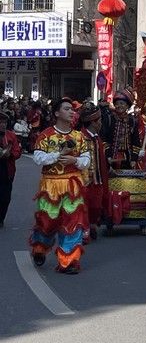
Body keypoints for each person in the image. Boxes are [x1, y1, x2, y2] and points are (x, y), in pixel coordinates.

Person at [30, 98, 90, 274]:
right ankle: (40, 247)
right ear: (57, 113)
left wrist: (74, 160)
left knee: (72, 222)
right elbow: (38, 158)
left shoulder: (79, 137)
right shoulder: (46, 135)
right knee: (47, 222)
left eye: (72, 109)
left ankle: (69, 261)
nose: (71, 112)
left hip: (73, 185)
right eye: (67, 109)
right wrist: (58, 155)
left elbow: (87, 160)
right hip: (51, 185)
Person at [80, 103, 109, 242]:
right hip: (84, 179)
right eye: (99, 121)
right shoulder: (80, 137)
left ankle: (92, 225)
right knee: (84, 206)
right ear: (93, 122)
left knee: (96, 206)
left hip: (97, 178)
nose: (101, 123)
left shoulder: (97, 138)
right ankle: (84, 231)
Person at [105, 89, 140, 169]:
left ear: (127, 106)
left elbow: (136, 141)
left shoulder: (132, 121)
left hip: (128, 159)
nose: (119, 106)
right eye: (117, 104)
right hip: (111, 158)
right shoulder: (109, 119)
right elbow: (104, 139)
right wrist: (108, 155)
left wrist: (134, 159)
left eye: (122, 103)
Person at [0, 111, 22, 228]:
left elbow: (17, 151)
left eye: (4, 122)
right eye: (0, 122)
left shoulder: (11, 135)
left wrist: (10, 154)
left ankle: (1, 218)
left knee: (5, 196)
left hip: (7, 169)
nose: (2, 125)